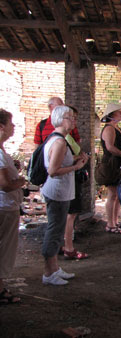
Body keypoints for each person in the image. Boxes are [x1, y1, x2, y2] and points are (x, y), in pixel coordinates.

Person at [41, 106, 89, 285]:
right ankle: (48, 273)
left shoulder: (59, 139)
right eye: (70, 118)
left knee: (57, 230)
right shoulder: (60, 142)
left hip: (61, 192)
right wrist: (76, 167)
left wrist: (76, 160)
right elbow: (53, 170)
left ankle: (54, 269)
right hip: (57, 192)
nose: (74, 121)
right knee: (54, 232)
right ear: (61, 119)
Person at [0, 109, 26, 304]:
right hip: (5, 207)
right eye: (11, 123)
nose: (13, 127)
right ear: (1, 127)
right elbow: (5, 185)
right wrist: (21, 182)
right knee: (5, 248)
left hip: (6, 206)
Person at [62, 106, 89, 260]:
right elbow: (57, 164)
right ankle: (68, 247)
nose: (75, 121)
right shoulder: (61, 139)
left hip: (70, 179)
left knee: (69, 213)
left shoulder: (67, 137)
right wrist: (78, 162)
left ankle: (66, 245)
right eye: (72, 118)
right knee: (70, 214)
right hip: (66, 180)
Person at [100, 103, 121, 234]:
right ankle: (110, 224)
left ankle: (116, 221)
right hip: (111, 164)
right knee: (112, 194)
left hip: (119, 163)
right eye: (119, 112)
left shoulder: (116, 127)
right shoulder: (109, 129)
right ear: (112, 114)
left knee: (118, 194)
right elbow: (110, 147)